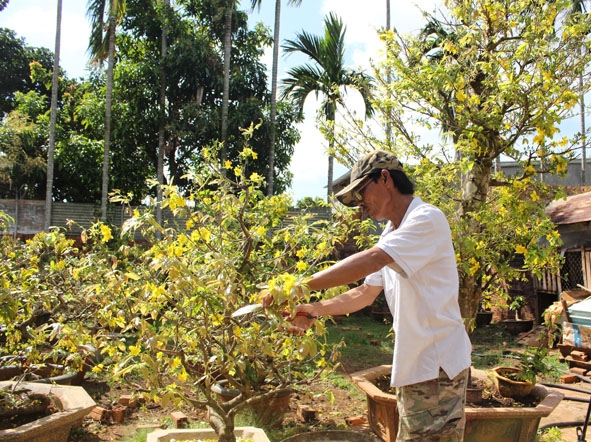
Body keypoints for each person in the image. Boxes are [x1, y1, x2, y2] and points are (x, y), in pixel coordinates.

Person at [266, 150, 472, 441]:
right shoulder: (391, 234)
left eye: (362, 191)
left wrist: (298, 286)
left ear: (385, 178)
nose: (360, 204)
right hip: (418, 367)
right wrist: (313, 308)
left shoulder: (426, 219)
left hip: (436, 367)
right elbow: (365, 293)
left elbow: (372, 259)